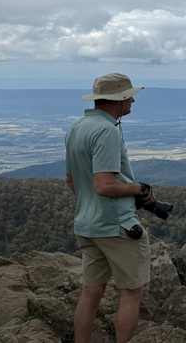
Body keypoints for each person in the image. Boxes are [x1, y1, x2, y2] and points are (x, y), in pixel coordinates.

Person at [66, 73, 156, 343]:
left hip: (87, 224)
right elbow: (105, 185)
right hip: (117, 226)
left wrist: (91, 205)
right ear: (119, 100)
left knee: (91, 292)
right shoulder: (107, 131)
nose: (133, 101)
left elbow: (71, 180)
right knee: (131, 292)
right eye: (130, 96)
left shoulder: (77, 127)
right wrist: (138, 189)